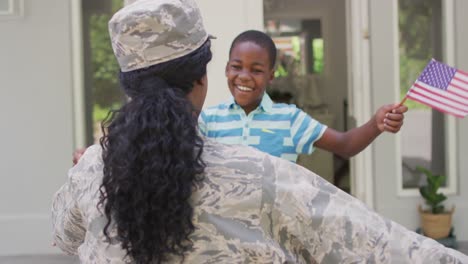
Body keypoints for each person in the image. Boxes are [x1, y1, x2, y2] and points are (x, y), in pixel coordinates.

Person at [52, 0, 468, 263]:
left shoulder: (91, 170)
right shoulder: (266, 177)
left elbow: (66, 237)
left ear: (129, 86)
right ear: (202, 78)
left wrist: (95, 161)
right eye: (234, 66)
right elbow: (384, 249)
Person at [198, 30, 408, 162]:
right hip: (224, 232)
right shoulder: (209, 120)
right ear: (226, 69)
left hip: (273, 230)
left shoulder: (290, 119)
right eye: (237, 67)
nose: (244, 76)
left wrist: (376, 124)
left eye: (256, 70)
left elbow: (345, 145)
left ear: (271, 76)